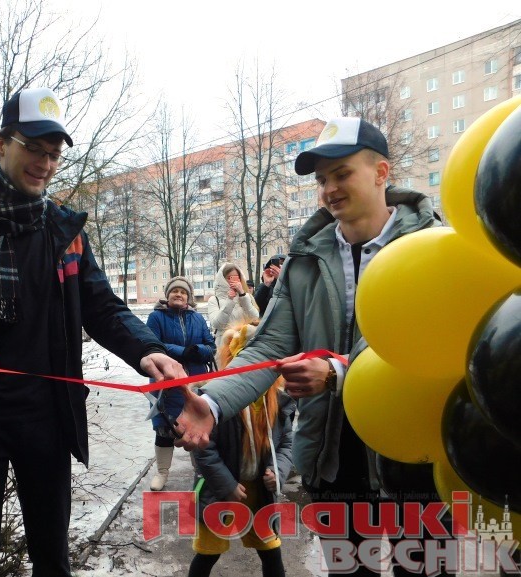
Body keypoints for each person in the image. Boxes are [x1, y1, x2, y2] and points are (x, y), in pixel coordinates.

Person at [0, 86, 185, 576]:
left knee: (52, 559)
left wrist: (147, 349)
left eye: (53, 154)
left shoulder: (66, 233)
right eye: (34, 149)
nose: (44, 163)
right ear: (1, 145)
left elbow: (104, 309)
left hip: (48, 417)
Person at [175, 117, 442, 577]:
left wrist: (338, 374)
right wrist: (212, 405)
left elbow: (433, 346)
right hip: (331, 458)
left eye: (342, 174)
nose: (329, 189)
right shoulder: (305, 260)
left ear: (381, 172)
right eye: (321, 180)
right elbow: (267, 347)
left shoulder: (432, 247)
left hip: (413, 456)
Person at [189, 321, 295, 577]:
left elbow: (286, 442)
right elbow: (203, 449)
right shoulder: (216, 399)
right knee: (208, 553)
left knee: (271, 550)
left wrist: (277, 472)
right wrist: (226, 485)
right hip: (218, 492)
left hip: (259, 491)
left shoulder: (279, 400)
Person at [145, 276, 216, 491]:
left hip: (195, 383)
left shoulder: (197, 318)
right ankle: (162, 472)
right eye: (175, 291)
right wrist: (182, 351)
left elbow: (210, 347)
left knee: (196, 429)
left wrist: (197, 351)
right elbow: (152, 345)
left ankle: (200, 472)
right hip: (166, 382)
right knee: (164, 428)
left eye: (183, 292)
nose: (179, 294)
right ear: (167, 295)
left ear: (188, 297)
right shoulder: (156, 317)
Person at [206, 262, 259, 340]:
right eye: (229, 278)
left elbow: (255, 317)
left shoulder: (246, 297)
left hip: (244, 342)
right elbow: (217, 324)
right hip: (225, 343)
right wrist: (230, 300)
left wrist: (242, 295)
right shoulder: (214, 300)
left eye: (237, 278)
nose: (233, 281)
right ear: (222, 279)